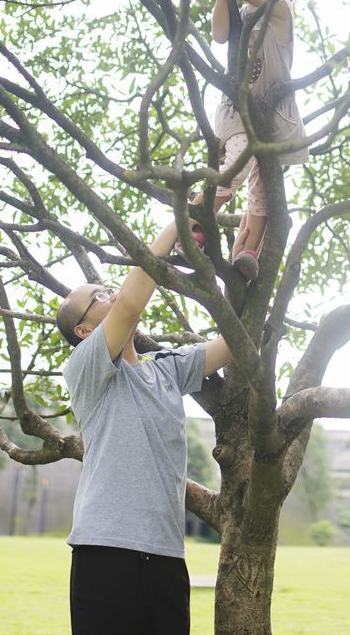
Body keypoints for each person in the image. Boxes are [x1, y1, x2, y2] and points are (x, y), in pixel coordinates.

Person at [56, 220, 233, 634]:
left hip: (168, 556)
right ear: (83, 331)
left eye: (107, 288)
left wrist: (241, 260)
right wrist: (176, 225)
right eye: (98, 297)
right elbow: (130, 306)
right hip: (106, 552)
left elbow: (235, 343)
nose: (111, 294)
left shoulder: (167, 369)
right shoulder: (86, 367)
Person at [181, 0, 309, 280]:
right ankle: (192, 227)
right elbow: (220, 33)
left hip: (275, 113)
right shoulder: (239, 11)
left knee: (264, 190)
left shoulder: (281, 7)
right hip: (240, 110)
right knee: (235, 165)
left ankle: (248, 251)